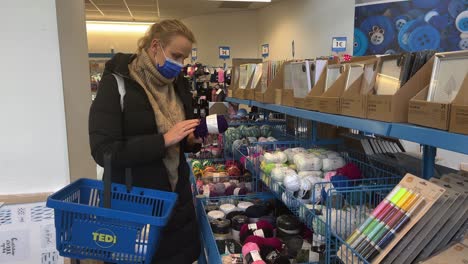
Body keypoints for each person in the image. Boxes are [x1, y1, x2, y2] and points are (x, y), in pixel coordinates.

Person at [89, 19, 201, 264]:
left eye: (184, 59)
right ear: (155, 46)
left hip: (175, 200)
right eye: (176, 55)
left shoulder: (177, 85)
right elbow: (103, 151)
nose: (180, 65)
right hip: (133, 202)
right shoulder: (117, 84)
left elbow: (180, 139)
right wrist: (163, 140)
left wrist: (191, 141)